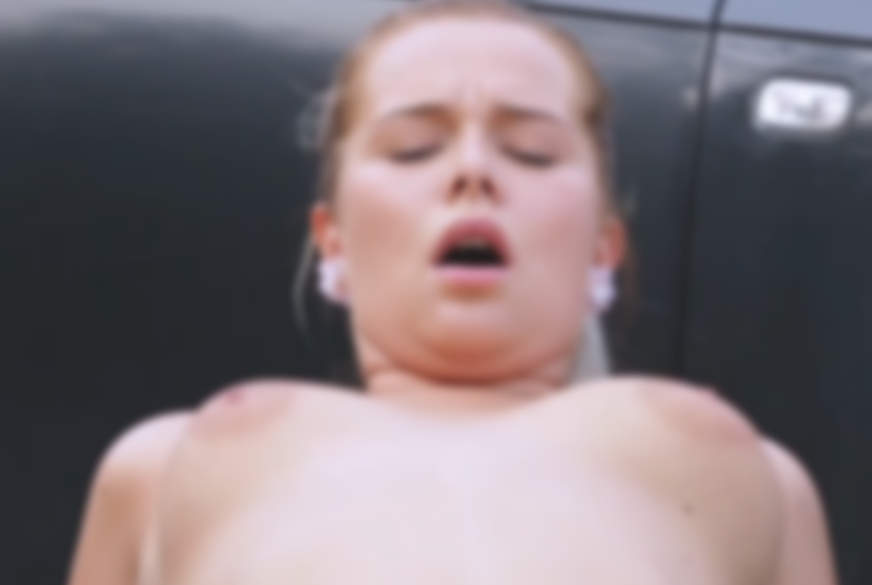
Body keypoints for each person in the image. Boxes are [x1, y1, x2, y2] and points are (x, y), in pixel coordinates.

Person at [66, 1, 837, 584]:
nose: (473, 170)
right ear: (334, 240)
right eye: (414, 149)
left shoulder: (768, 481)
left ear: (603, 249)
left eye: (531, 153)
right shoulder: (158, 465)